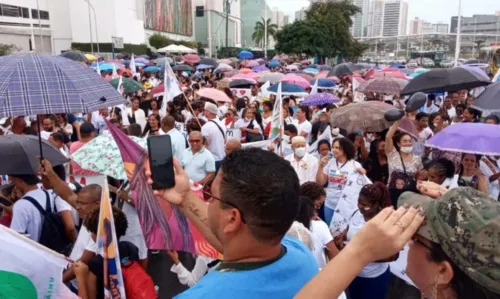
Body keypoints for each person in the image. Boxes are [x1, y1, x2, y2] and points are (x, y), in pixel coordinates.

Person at [147, 148, 319, 298]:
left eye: (211, 195)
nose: (208, 202)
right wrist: (185, 197)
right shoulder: (300, 253)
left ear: (232, 219)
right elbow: (233, 243)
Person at [338, 183, 393, 299]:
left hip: (373, 278)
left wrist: (363, 255)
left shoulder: (384, 223)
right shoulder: (356, 213)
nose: (360, 207)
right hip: (353, 273)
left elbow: (393, 255)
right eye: (359, 202)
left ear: (376, 205)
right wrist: (341, 237)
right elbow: (348, 231)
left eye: (365, 205)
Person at [74, 206, 142, 299]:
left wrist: (80, 277)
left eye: (92, 232)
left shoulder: (95, 265)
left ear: (100, 235)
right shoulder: (131, 248)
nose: (90, 235)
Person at [316, 137, 363, 225]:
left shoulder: (354, 164)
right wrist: (321, 166)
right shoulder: (330, 163)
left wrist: (362, 171)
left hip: (346, 205)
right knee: (330, 230)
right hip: (330, 204)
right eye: (333, 147)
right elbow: (320, 182)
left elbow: (361, 182)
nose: (333, 150)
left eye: (337, 148)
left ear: (345, 149)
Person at [298, 183, 339, 268]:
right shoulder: (320, 226)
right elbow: (335, 258)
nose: (318, 209)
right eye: (318, 205)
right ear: (309, 203)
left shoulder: (286, 223)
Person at [385, 120, 423, 207]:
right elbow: (388, 137)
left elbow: (418, 176)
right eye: (405, 141)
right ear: (398, 144)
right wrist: (398, 121)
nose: (408, 143)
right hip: (392, 194)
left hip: (410, 195)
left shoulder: (417, 159)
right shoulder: (392, 155)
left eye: (410, 141)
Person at [8, 174, 50, 242]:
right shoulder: (48, 195)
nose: (14, 187)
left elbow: (15, 238)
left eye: (14, 182)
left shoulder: (21, 205)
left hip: (33, 249)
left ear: (21, 181)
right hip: (51, 248)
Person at [201, 102, 226, 171]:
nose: (203, 112)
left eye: (204, 110)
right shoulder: (222, 124)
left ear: (208, 112)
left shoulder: (206, 127)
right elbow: (225, 140)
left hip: (212, 159)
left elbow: (206, 144)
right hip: (222, 158)